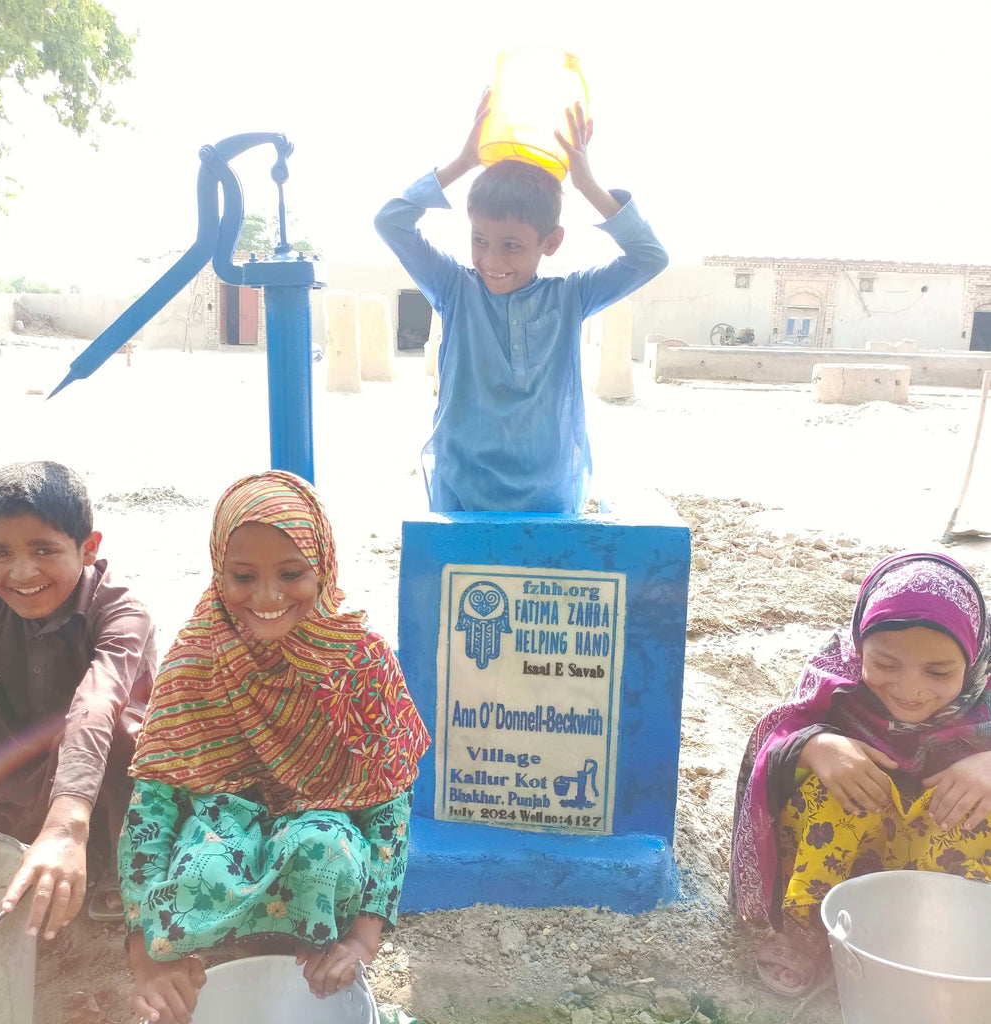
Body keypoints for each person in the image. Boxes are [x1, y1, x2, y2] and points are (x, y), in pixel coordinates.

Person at [118, 470, 431, 1024]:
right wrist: (146, 956)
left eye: (291, 574)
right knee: (203, 868)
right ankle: (212, 951)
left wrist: (363, 940)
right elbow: (154, 804)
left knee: (321, 850)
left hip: (320, 833)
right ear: (219, 568)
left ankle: (316, 945)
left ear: (323, 567)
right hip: (222, 830)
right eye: (243, 576)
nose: (266, 597)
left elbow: (389, 808)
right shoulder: (197, 655)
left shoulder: (358, 663)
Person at [374, 92, 668, 514]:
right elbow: (390, 221)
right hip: (461, 494)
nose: (492, 260)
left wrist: (587, 185)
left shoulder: (571, 297)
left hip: (550, 497)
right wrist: (462, 163)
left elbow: (650, 257)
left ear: (551, 243)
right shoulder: (455, 288)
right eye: (479, 240)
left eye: (511, 245)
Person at [731, 552, 991, 997]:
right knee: (830, 792)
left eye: (939, 671)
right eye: (887, 664)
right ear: (859, 645)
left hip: (945, 866)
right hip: (848, 859)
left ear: (971, 661)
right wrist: (817, 746)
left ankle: (950, 937)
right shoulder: (837, 685)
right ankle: (809, 930)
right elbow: (773, 738)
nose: (911, 690)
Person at [0, 460, 156, 938]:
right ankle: (12, 832)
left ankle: (121, 866)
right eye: (0, 552)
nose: (21, 571)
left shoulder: (122, 612)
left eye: (43, 549)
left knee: (125, 729)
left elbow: (95, 706)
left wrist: (67, 825)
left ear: (89, 547)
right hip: (31, 762)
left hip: (105, 782)